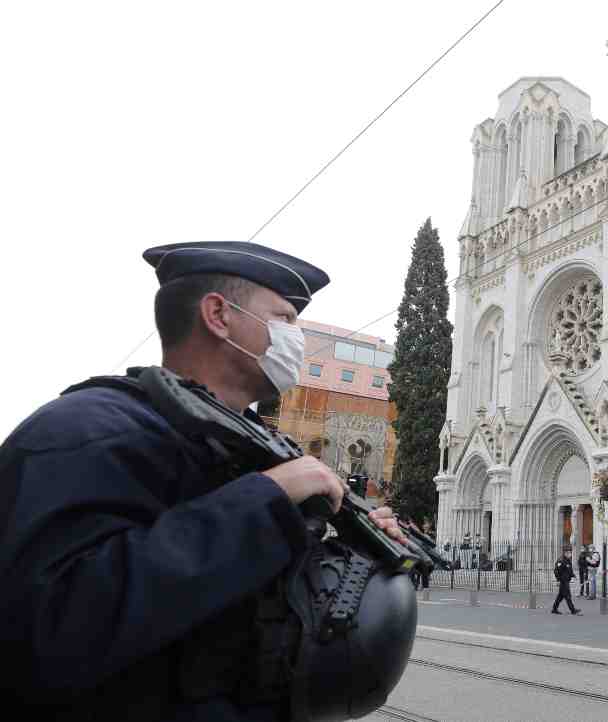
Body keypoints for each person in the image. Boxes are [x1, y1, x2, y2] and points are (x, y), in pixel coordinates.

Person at [0, 241, 410, 720]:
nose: (296, 338)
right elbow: (49, 630)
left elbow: (270, 604)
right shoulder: (85, 431)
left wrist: (359, 550)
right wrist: (266, 500)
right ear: (219, 315)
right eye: (285, 319)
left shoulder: (260, 448)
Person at [551, 545, 582, 615]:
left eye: (570, 552)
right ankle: (573, 610)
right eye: (568, 552)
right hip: (563, 581)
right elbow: (556, 571)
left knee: (560, 597)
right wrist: (558, 580)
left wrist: (573, 575)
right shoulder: (561, 560)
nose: (570, 554)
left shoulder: (568, 560)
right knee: (568, 596)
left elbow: (569, 570)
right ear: (565, 553)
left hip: (566, 581)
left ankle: (554, 609)